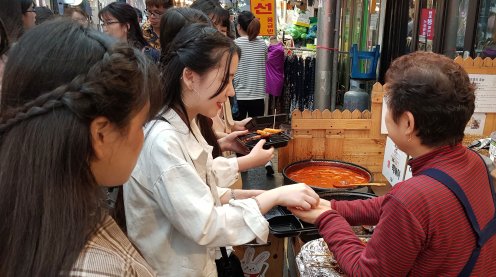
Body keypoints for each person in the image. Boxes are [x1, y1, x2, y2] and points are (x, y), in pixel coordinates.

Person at [124, 24, 319, 276]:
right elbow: (206, 223)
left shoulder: (184, 121)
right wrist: (274, 196)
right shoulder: (163, 140)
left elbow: (199, 184)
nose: (231, 91)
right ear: (190, 76)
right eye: (226, 79)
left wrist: (258, 195)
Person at [292, 52, 496, 276]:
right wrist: (333, 207)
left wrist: (327, 219)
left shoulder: (414, 197)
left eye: (387, 106)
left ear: (408, 122)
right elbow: (391, 205)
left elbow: (367, 273)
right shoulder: (475, 162)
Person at [0, 18, 160, 276]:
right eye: (141, 124)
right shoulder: (108, 269)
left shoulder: (23, 218)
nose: (143, 137)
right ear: (100, 134)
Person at [233, 11, 267, 121]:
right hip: (258, 95)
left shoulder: (234, 44)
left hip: (239, 95)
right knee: (257, 131)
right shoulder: (262, 44)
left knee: (237, 132)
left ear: (239, 26)